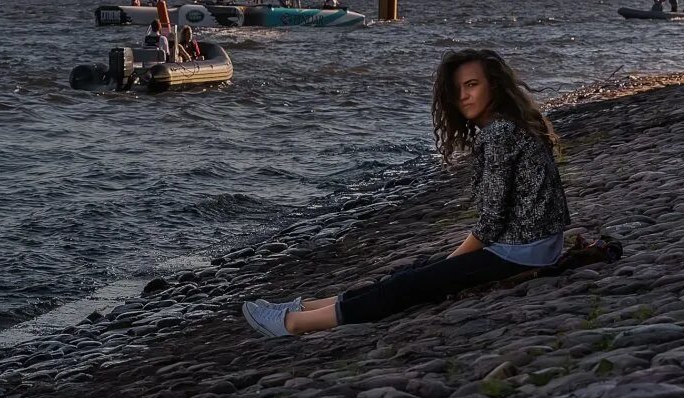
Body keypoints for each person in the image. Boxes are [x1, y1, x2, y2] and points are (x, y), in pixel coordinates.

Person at [241, 49, 571, 338]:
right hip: (530, 245)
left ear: (494, 86)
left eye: (472, 85)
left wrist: (448, 263)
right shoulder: (506, 126)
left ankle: (293, 324)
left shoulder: (499, 134)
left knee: (409, 283)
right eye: (457, 90)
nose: (464, 96)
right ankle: (304, 307)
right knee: (408, 273)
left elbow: (491, 223)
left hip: (523, 251)